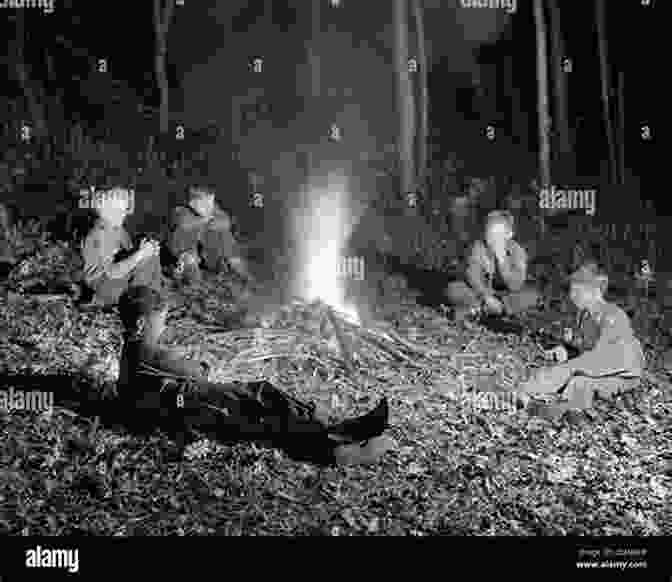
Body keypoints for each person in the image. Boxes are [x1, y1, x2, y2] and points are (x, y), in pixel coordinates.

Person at [116, 285, 395, 466]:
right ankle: (339, 440)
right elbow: (198, 373)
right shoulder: (151, 353)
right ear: (142, 323)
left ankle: (339, 436)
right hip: (191, 408)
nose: (163, 328)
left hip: (181, 407)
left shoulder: (132, 351)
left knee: (263, 416)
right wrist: (198, 367)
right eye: (160, 322)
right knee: (263, 404)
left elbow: (141, 386)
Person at [516, 262, 644, 420]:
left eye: (578, 289)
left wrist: (544, 380)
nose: (572, 294)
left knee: (578, 382)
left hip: (623, 375)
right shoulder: (584, 316)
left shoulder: (613, 316)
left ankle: (564, 411)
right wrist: (567, 352)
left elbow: (603, 358)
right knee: (576, 382)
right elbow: (585, 348)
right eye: (572, 289)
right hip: (600, 369)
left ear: (595, 291)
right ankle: (560, 410)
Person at [445, 210, 540, 321]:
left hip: (505, 295)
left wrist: (502, 261)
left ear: (509, 234)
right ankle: (491, 310)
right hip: (480, 292)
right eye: (489, 234)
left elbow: (516, 285)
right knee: (454, 288)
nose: (492, 239)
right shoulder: (478, 248)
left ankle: (479, 310)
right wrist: (486, 296)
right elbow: (473, 276)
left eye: (498, 235)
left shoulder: (517, 252)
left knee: (531, 295)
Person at [80, 187, 165, 306]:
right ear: (104, 210)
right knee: (146, 260)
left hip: (113, 281)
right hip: (101, 284)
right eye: (118, 210)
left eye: (124, 210)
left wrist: (144, 249)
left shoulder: (117, 228)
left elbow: (128, 254)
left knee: (150, 257)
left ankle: (151, 299)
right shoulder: (101, 233)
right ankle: (138, 303)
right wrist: (140, 254)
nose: (123, 214)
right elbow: (112, 272)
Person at [167, 185, 252, 284]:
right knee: (190, 263)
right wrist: (203, 221)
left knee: (228, 245)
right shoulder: (181, 211)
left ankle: (243, 275)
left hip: (208, 248)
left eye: (211, 202)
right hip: (186, 249)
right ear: (192, 203)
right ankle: (190, 279)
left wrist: (212, 222)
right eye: (204, 203)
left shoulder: (213, 210)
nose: (209, 207)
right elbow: (183, 223)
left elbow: (225, 221)